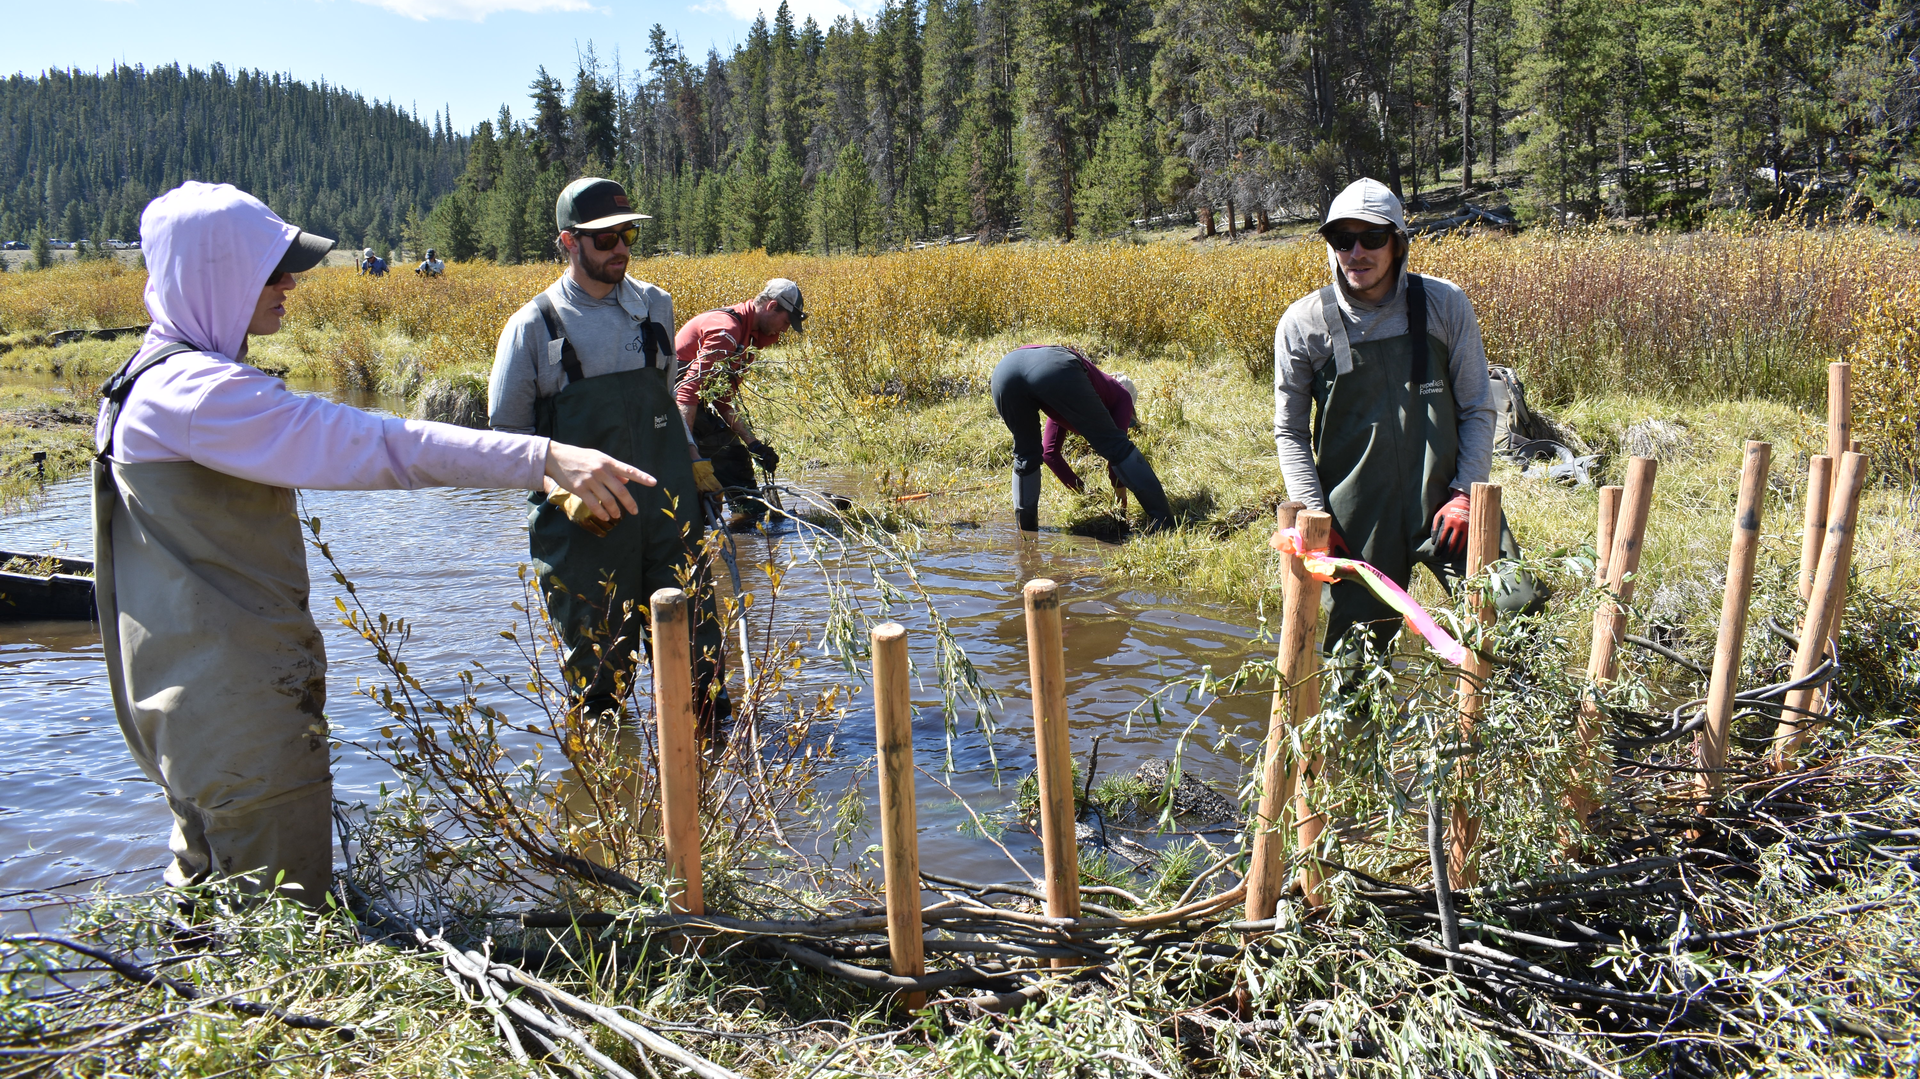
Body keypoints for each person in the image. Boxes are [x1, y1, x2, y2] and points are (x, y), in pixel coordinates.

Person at [93, 181, 650, 904]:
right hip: (238, 728)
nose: (290, 280)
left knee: (207, 906)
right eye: (271, 267)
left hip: (191, 715)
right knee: (282, 933)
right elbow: (378, 442)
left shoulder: (148, 380)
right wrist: (544, 457)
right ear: (214, 277)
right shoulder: (197, 395)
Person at [488, 176, 731, 724]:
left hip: (669, 516)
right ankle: (614, 791)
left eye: (627, 235)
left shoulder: (655, 307)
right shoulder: (532, 327)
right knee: (601, 694)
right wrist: (558, 487)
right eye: (605, 238)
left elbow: (667, 398)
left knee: (703, 676)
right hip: (586, 532)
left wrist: (694, 464)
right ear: (569, 242)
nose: (620, 247)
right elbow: (505, 442)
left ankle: (719, 791)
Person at [1274, 177, 1533, 653]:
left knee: (1514, 608)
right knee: (1354, 656)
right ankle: (1356, 728)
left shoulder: (1444, 303)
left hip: (1445, 503)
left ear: (1398, 243)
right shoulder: (1302, 324)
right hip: (1356, 519)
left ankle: (1505, 719)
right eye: (1342, 239)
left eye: (1372, 238)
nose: (1356, 253)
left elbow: (1478, 406)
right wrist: (1316, 515)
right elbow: (1289, 431)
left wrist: (1465, 495)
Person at [989, 344, 1175, 533]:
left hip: (1004, 371)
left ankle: (1027, 537)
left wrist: (1084, 493)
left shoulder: (1072, 394)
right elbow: (1116, 454)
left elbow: (1048, 452)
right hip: (1053, 366)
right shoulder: (1121, 396)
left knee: (1025, 456)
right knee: (1117, 446)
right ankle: (1165, 522)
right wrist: (1121, 509)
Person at [673, 279, 804, 532]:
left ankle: (751, 525)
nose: (785, 330)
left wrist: (753, 443)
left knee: (733, 454)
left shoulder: (747, 340)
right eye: (786, 322)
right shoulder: (727, 331)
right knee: (707, 463)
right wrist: (690, 457)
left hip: (691, 404)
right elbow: (685, 393)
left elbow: (720, 398)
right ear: (772, 306)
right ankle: (704, 526)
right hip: (668, 403)